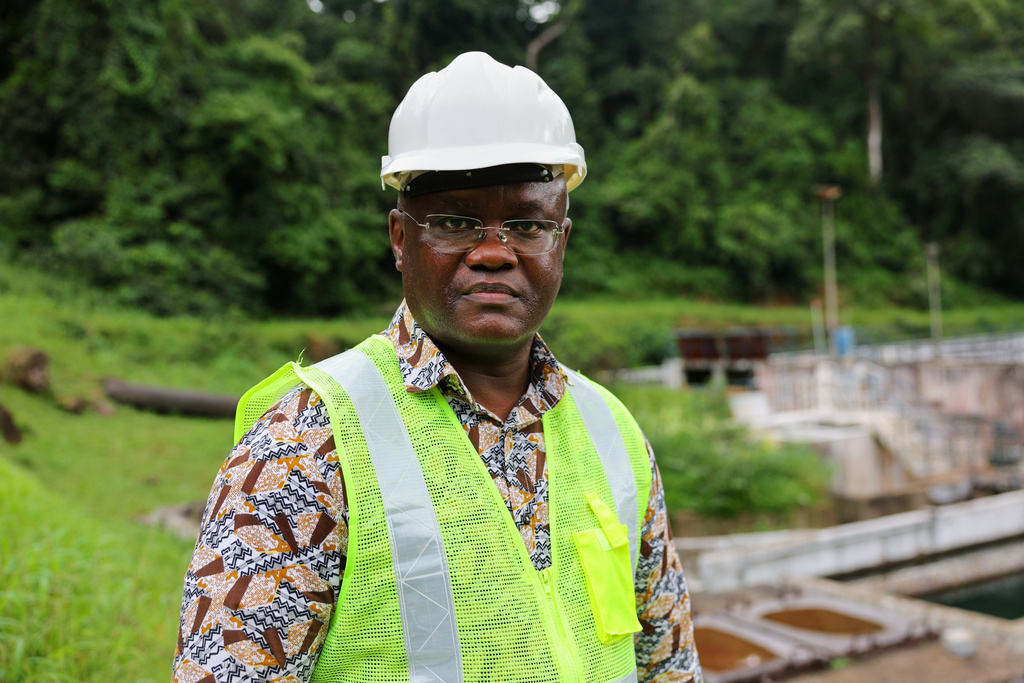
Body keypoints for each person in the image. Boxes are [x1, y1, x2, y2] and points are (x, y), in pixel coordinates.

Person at [172, 51, 702, 683]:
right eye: (456, 222)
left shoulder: (612, 432)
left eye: (527, 225)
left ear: (561, 241)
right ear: (401, 239)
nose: (492, 253)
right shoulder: (307, 442)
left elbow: (667, 665)